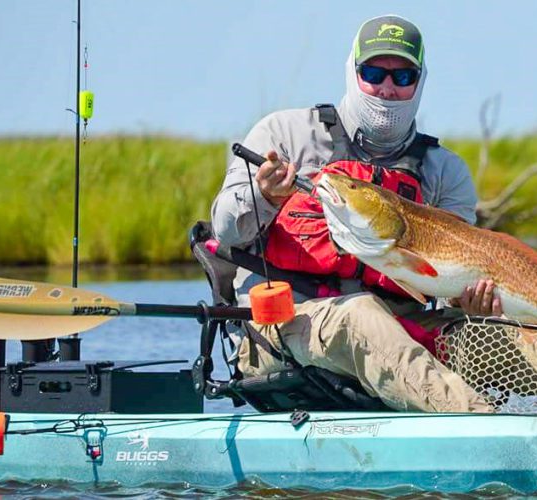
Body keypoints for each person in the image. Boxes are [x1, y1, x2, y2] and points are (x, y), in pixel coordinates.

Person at [211, 14, 499, 413]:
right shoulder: (283, 133)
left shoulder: (445, 170)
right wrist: (264, 194)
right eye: (374, 72)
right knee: (361, 317)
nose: (386, 89)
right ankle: (488, 426)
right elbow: (224, 229)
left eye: (403, 78)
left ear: (420, 81)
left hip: (406, 327)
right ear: (353, 71)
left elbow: (449, 290)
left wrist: (472, 302)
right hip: (285, 329)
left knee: (505, 338)